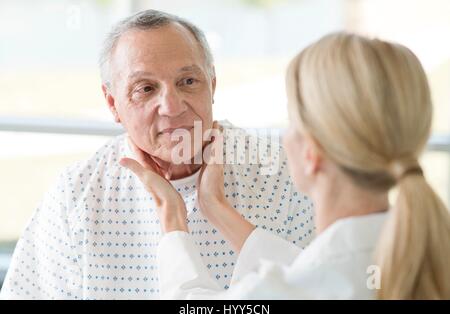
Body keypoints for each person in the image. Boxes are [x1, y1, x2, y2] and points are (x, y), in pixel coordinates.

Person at [0, 10, 314, 300]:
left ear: (213, 85)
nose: (172, 106)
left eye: (188, 82)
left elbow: (326, 286)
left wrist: (215, 208)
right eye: (146, 88)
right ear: (112, 104)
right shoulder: (76, 195)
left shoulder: (283, 174)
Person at [124, 32, 450, 299]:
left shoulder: (283, 292)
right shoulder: (420, 261)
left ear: (312, 153)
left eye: (291, 121)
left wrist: (172, 215)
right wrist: (216, 206)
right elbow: (323, 276)